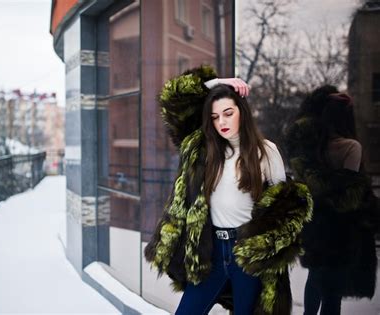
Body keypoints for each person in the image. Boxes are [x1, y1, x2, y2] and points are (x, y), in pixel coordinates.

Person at [144, 65, 313, 315]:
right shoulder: (203, 148)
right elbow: (173, 99)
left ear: (241, 113)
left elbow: (284, 211)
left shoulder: (265, 151)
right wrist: (216, 83)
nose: (221, 121)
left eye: (228, 113)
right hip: (209, 251)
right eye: (215, 116)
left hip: (245, 253)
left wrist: (259, 249)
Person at [286, 90, 379, 315]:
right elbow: (348, 191)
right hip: (340, 228)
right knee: (332, 293)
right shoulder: (351, 147)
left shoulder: (313, 148)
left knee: (315, 277)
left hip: (315, 224)